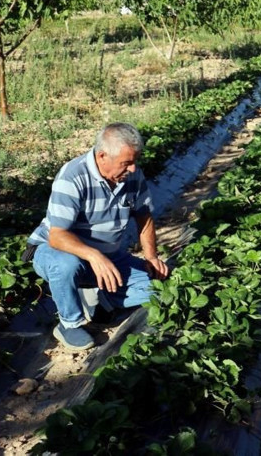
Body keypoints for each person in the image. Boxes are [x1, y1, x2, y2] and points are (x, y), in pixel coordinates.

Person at [27, 123, 169, 351]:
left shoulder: (132, 176)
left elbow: (144, 217)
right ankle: (69, 324)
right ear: (102, 156)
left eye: (135, 161)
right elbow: (57, 236)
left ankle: (102, 299)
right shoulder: (73, 177)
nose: (133, 168)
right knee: (66, 265)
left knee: (158, 290)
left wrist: (151, 257)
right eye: (126, 163)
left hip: (108, 254)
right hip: (56, 251)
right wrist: (94, 256)